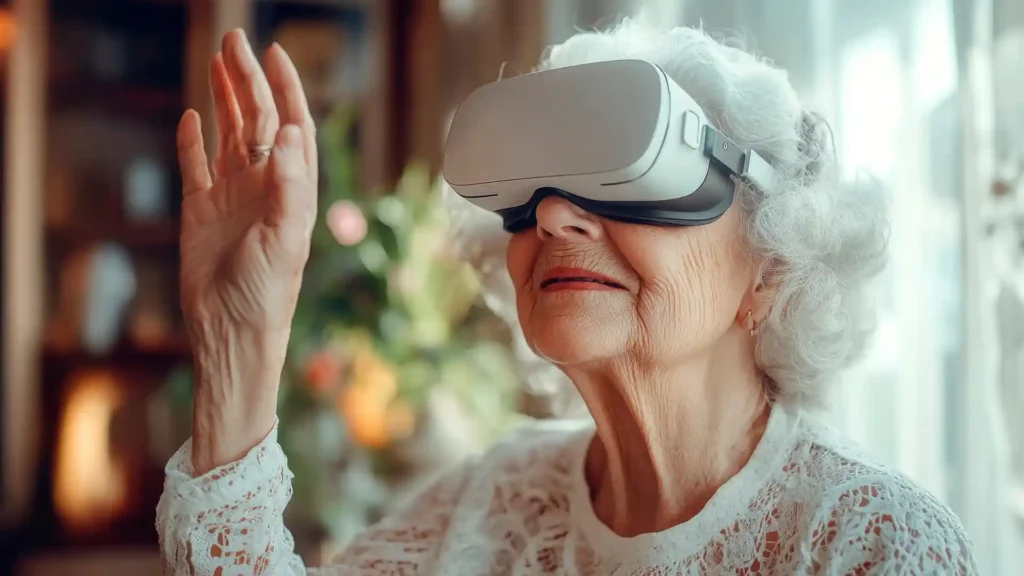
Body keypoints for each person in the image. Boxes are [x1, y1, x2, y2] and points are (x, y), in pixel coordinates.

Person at [157, 18, 978, 576]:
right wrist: (240, 335)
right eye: (531, 191)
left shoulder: (873, 542)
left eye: (630, 174)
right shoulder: (493, 502)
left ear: (769, 269)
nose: (551, 214)